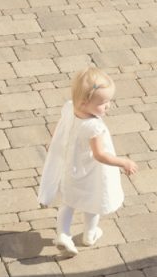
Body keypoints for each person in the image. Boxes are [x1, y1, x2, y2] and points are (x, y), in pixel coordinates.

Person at [39, 67, 138, 256]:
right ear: (85, 103)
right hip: (90, 172)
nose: (108, 106)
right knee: (93, 202)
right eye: (103, 103)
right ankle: (89, 235)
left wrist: (53, 144)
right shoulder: (94, 126)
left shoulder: (69, 108)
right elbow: (100, 155)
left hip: (70, 168)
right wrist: (122, 162)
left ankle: (63, 234)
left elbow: (60, 129)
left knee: (68, 202)